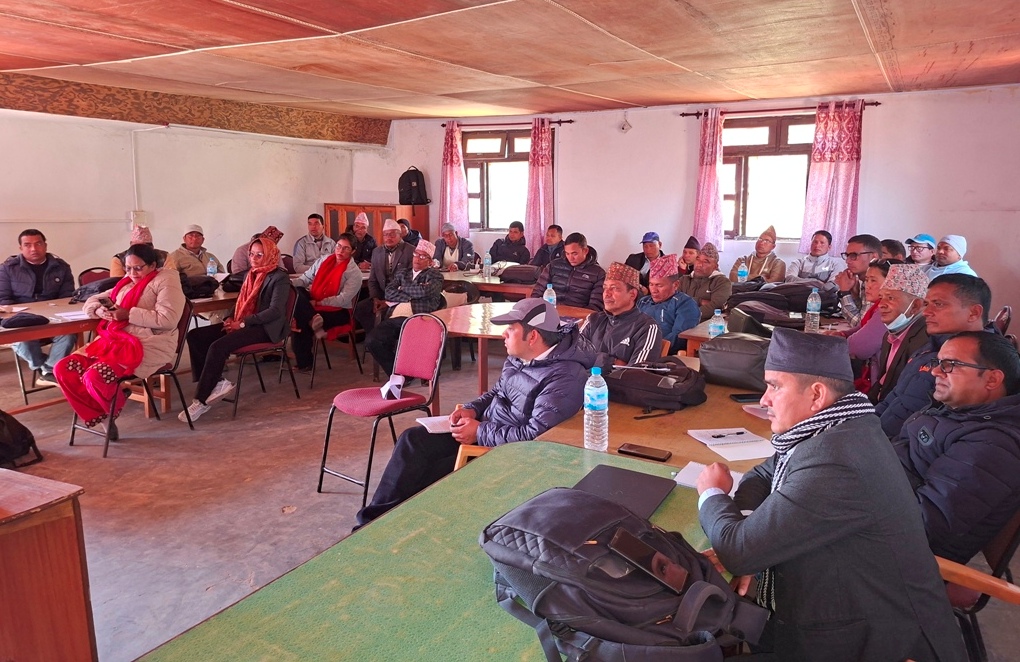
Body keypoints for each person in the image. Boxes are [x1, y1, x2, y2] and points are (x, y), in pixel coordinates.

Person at [696, 328, 965, 661]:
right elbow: (764, 473)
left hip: (876, 643)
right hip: (836, 608)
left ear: (816, 395)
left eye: (775, 386)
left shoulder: (836, 459)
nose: (764, 400)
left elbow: (738, 552)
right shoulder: (841, 425)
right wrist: (752, 524)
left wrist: (712, 493)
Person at [356, 299, 593, 526]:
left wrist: (479, 432)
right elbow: (497, 392)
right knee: (412, 440)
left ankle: (378, 523)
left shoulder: (565, 377)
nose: (504, 334)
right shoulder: (520, 357)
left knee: (425, 473)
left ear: (533, 336)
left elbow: (536, 437)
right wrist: (473, 408)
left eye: (511, 329)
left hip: (504, 452)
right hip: (486, 431)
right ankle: (372, 521)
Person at [894, 331, 1020, 564]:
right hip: (876, 504)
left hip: (896, 561)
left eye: (950, 365)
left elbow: (920, 527)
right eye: (938, 362)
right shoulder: (958, 411)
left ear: (992, 379)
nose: (935, 371)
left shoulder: (992, 445)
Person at [54, 244, 185, 438]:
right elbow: (92, 300)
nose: (132, 273)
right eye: (128, 268)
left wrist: (128, 314)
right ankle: (104, 415)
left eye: (138, 268)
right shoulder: (126, 282)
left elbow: (168, 320)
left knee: (94, 376)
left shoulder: (167, 281)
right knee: (63, 369)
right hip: (115, 341)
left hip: (150, 343)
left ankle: (111, 407)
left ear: (152, 266)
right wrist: (100, 311)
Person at [181, 233, 291, 423]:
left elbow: (275, 311)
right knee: (196, 335)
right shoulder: (251, 274)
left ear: (270, 255)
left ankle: (201, 400)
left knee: (218, 346)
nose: (254, 259)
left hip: (265, 328)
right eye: (252, 254)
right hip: (245, 322)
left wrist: (242, 323)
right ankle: (215, 383)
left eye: (259, 255)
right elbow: (241, 301)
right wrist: (230, 318)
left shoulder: (279, 277)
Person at [875, 274, 991, 438]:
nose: (926, 312)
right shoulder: (930, 346)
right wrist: (864, 425)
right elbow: (894, 397)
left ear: (973, 313)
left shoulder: (976, 364)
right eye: (927, 304)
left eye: (938, 304)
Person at [0, 229, 76, 384]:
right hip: (21, 318)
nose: (33, 249)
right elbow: (3, 299)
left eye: (38, 244)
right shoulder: (8, 268)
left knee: (69, 334)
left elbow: (67, 297)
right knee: (23, 339)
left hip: (53, 317)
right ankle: (45, 368)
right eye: (27, 245)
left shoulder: (61, 267)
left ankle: (49, 370)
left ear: (45, 245)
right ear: (21, 248)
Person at [365, 240, 444, 375]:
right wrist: (411, 294)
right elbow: (389, 292)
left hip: (418, 318)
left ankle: (403, 373)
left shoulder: (435, 276)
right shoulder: (402, 273)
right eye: (416, 254)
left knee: (384, 339)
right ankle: (399, 373)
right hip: (394, 318)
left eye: (423, 256)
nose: (417, 258)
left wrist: (401, 289)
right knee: (372, 341)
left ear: (430, 262)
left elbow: (423, 291)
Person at [290, 233, 362, 372]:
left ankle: (305, 363)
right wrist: (289, 285)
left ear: (353, 251)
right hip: (314, 306)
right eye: (338, 246)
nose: (340, 251)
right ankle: (313, 317)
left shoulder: (354, 273)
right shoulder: (323, 260)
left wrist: (318, 303)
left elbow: (342, 299)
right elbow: (305, 278)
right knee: (297, 291)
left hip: (339, 311)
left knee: (300, 318)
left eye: (346, 248)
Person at [828, 258, 901, 394]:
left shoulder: (888, 309)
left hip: (880, 389)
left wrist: (839, 340)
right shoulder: (877, 307)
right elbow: (862, 326)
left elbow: (858, 348)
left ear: (892, 283)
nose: (868, 285)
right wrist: (842, 334)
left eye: (873, 280)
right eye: (866, 280)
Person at [579, 262, 662, 370]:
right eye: (605, 288)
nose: (607, 294)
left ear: (632, 294)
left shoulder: (646, 327)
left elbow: (637, 373)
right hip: (583, 379)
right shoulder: (594, 319)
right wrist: (610, 361)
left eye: (614, 288)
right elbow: (572, 354)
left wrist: (592, 359)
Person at [869, 263, 930, 404]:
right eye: (881, 297)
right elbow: (882, 384)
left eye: (890, 298)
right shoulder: (890, 335)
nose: (881, 304)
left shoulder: (924, 340)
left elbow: (909, 398)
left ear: (915, 305)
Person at [354, 218, 413, 334]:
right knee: (360, 309)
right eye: (386, 235)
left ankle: (384, 338)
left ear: (400, 235)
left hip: (400, 297)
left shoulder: (410, 251)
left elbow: (410, 282)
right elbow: (372, 280)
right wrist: (375, 298)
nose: (388, 238)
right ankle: (374, 336)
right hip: (381, 295)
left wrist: (388, 301)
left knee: (389, 314)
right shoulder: (377, 251)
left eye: (392, 234)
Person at [637, 254, 700, 354]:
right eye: (651, 284)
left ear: (675, 285)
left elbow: (679, 337)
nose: (653, 290)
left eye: (659, 285)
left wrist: (649, 349)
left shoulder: (685, 304)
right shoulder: (643, 302)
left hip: (664, 356)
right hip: (636, 351)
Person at [530, 232, 605, 310]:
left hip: (579, 313)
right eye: (567, 254)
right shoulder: (554, 266)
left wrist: (575, 314)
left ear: (585, 251)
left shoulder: (598, 273)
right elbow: (537, 293)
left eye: (574, 254)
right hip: (551, 311)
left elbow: (595, 306)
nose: (570, 258)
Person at [833, 233, 882, 327]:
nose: (847, 261)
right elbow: (861, 314)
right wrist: (854, 295)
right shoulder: (864, 281)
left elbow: (862, 325)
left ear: (873, 258)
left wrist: (844, 292)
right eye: (847, 255)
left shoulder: (879, 282)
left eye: (853, 255)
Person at [678, 243, 732, 321]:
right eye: (698, 259)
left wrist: (685, 313)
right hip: (680, 322)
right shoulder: (684, 280)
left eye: (706, 262)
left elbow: (715, 307)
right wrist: (699, 301)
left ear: (715, 267)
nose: (699, 264)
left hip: (706, 325)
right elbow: (674, 302)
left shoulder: (722, 282)